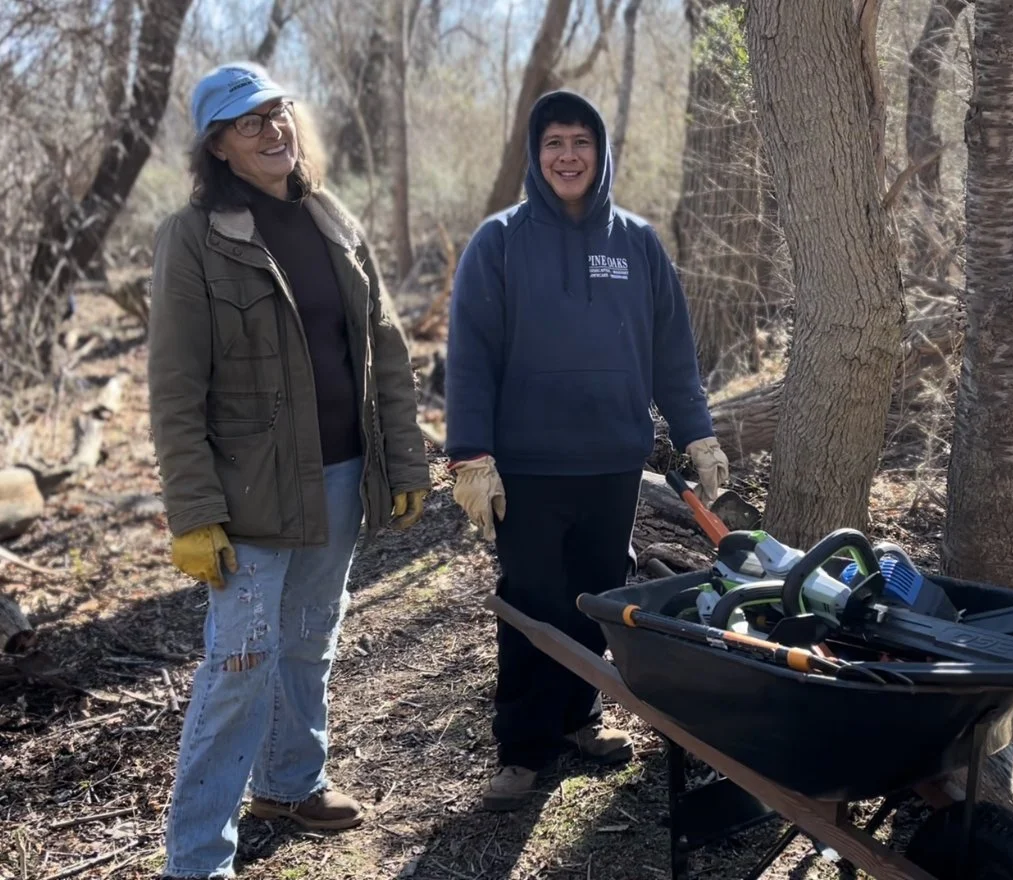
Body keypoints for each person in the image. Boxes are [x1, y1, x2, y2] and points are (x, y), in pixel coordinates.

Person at [146, 61, 430, 878]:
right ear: (219, 148)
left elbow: (386, 351)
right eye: (248, 122)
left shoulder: (333, 218)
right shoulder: (193, 239)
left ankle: (289, 783)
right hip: (247, 498)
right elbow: (173, 392)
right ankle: (197, 858)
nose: (273, 130)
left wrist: (402, 458)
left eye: (278, 113)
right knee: (238, 668)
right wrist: (193, 510)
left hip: (341, 474)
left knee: (310, 639)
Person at [444, 89, 729, 811]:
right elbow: (470, 357)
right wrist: (470, 454)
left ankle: (580, 721)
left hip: (612, 463)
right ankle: (521, 750)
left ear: (600, 153)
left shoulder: (635, 243)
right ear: (536, 157)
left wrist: (698, 431)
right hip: (529, 466)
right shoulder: (499, 243)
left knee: (597, 595)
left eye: (580, 142)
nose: (567, 155)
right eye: (553, 144)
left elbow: (672, 353)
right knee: (532, 601)